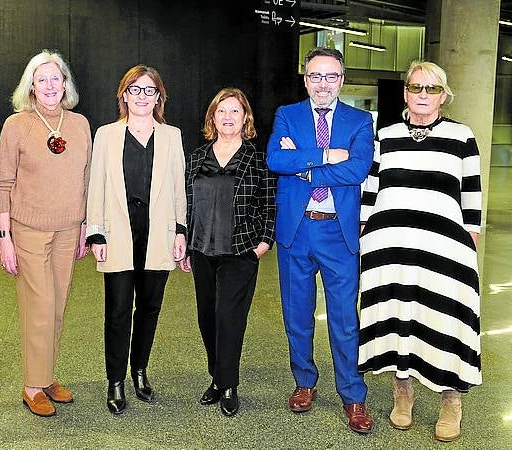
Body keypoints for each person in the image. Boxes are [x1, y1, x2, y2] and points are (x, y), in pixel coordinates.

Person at [358, 61, 481, 442]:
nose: (422, 95)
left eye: (431, 89)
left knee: (446, 318)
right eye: (415, 88)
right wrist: (367, 236)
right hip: (390, 245)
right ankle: (403, 390)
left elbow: (472, 197)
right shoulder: (387, 135)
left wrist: (469, 245)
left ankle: (451, 400)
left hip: (443, 249)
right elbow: (370, 189)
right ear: (406, 93)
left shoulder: (462, 136)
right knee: (400, 314)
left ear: (443, 95)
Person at [266, 47, 374, 434]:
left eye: (330, 76)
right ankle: (305, 382)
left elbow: (357, 169)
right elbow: (276, 161)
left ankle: (352, 394)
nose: (323, 84)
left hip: (338, 232)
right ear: (306, 79)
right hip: (297, 230)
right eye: (315, 76)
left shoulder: (360, 120)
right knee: (298, 314)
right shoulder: (287, 115)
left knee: (344, 319)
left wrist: (307, 167)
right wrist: (329, 154)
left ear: (341, 80)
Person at [0, 50, 91, 417]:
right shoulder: (16, 125)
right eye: (41, 79)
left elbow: (86, 180)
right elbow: (4, 183)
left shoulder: (80, 124)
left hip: (69, 229)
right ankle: (32, 385)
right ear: (31, 86)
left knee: (58, 305)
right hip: (28, 230)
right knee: (38, 306)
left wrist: (85, 227)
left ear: (65, 83)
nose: (50, 85)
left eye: (56, 78)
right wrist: (4, 236)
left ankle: (46, 374)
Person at [86, 65, 186, 415]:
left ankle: (139, 371)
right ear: (124, 94)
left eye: (150, 90)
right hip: (117, 235)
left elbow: (178, 188)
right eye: (135, 89)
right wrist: (95, 231)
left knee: (149, 309)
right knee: (116, 312)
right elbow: (95, 185)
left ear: (159, 97)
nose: (142, 96)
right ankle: (115, 380)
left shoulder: (172, 136)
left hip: (157, 235)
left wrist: (180, 230)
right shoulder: (106, 135)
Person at [179, 88, 275, 417]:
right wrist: (185, 241)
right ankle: (217, 379)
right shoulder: (196, 158)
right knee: (207, 318)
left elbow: (269, 205)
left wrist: (263, 244)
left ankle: (230, 384)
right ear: (213, 118)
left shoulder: (257, 159)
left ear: (245, 117)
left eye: (235, 111)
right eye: (222, 111)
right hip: (203, 249)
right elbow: (186, 203)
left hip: (240, 251)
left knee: (229, 319)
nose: (228, 117)